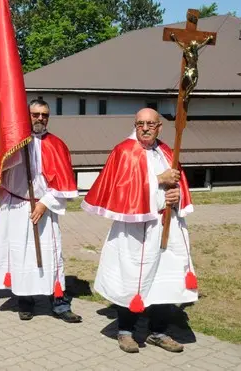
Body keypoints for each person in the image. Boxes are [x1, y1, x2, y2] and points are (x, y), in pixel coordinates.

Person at [82, 108, 197, 354]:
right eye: (140, 124)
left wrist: (176, 196)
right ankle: (126, 331)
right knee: (132, 278)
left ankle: (159, 332)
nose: (145, 128)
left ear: (159, 127)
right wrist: (158, 180)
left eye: (150, 124)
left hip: (165, 225)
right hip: (134, 229)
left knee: (164, 279)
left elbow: (179, 183)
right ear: (135, 125)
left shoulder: (167, 151)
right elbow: (122, 188)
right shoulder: (124, 151)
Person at [0, 99, 81, 323]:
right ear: (26, 115)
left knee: (52, 256)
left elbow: (64, 183)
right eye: (35, 114)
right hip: (16, 207)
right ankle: (25, 302)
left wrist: (44, 203)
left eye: (45, 115)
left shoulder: (57, 145)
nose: (40, 118)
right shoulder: (13, 143)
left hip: (45, 208)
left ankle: (59, 305)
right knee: (21, 256)